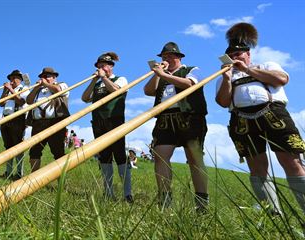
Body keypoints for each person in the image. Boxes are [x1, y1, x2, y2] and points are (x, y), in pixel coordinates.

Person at [215, 23, 305, 216]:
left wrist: (247, 70)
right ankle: (273, 214)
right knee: (256, 167)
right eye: (231, 55)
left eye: (239, 54)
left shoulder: (266, 65)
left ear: (248, 54)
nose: (235, 57)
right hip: (241, 120)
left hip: (274, 115)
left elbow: (281, 79)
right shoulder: (224, 76)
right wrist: (226, 78)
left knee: (292, 161)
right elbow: (222, 102)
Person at [143, 42, 209, 211]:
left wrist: (164, 75)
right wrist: (157, 74)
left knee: (194, 158)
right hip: (165, 118)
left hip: (189, 117)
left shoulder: (193, 70)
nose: (166, 59)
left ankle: (201, 202)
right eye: (164, 57)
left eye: (170, 56)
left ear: (179, 58)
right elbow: (148, 91)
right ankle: (165, 200)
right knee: (160, 155)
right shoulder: (161, 74)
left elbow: (189, 84)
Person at [81, 52, 133, 202]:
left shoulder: (120, 79)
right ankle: (108, 192)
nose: (101, 68)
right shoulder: (97, 83)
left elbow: (117, 90)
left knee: (120, 156)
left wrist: (103, 78)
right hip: (98, 122)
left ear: (110, 66)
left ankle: (127, 194)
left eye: (104, 65)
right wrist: (93, 81)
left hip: (114, 121)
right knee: (104, 157)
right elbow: (85, 98)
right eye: (99, 66)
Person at [26, 67, 69, 172]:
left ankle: (60, 181)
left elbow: (58, 91)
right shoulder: (38, 90)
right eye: (42, 76)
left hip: (55, 122)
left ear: (54, 77)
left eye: (47, 76)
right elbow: (28, 100)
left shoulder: (62, 84)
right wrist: (36, 88)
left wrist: (45, 84)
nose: (44, 78)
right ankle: (34, 177)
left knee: (58, 151)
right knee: (35, 150)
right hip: (38, 123)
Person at [0, 70, 29, 180]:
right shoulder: (7, 90)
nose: (11, 80)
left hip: (17, 118)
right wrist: (4, 91)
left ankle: (19, 173)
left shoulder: (24, 88)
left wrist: (10, 90)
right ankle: (8, 171)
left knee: (18, 146)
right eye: (10, 78)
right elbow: (1, 103)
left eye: (14, 78)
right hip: (5, 118)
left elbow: (21, 102)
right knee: (8, 146)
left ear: (19, 79)